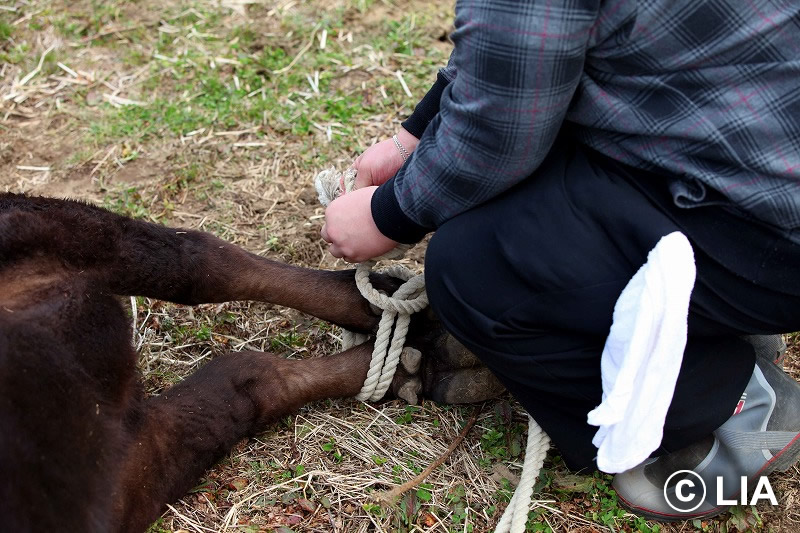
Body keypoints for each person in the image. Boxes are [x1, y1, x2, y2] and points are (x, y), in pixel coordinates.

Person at [320, 0, 800, 520]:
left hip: (773, 237)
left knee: (476, 267)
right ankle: (710, 321)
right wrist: (413, 137)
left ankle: (731, 403)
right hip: (757, 152)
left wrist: (387, 215)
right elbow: (522, 47)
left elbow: (500, 131)